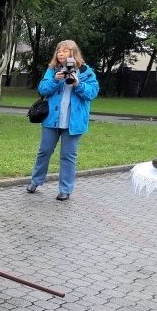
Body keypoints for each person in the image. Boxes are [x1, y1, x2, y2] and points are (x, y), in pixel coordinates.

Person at [26, 39, 99, 201]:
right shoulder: (52, 70)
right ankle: (35, 181)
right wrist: (55, 80)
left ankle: (65, 189)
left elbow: (92, 93)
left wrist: (78, 84)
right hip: (52, 120)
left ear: (73, 53)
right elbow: (42, 89)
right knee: (44, 151)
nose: (60, 53)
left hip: (74, 122)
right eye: (58, 51)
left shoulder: (86, 71)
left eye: (64, 51)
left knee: (68, 156)